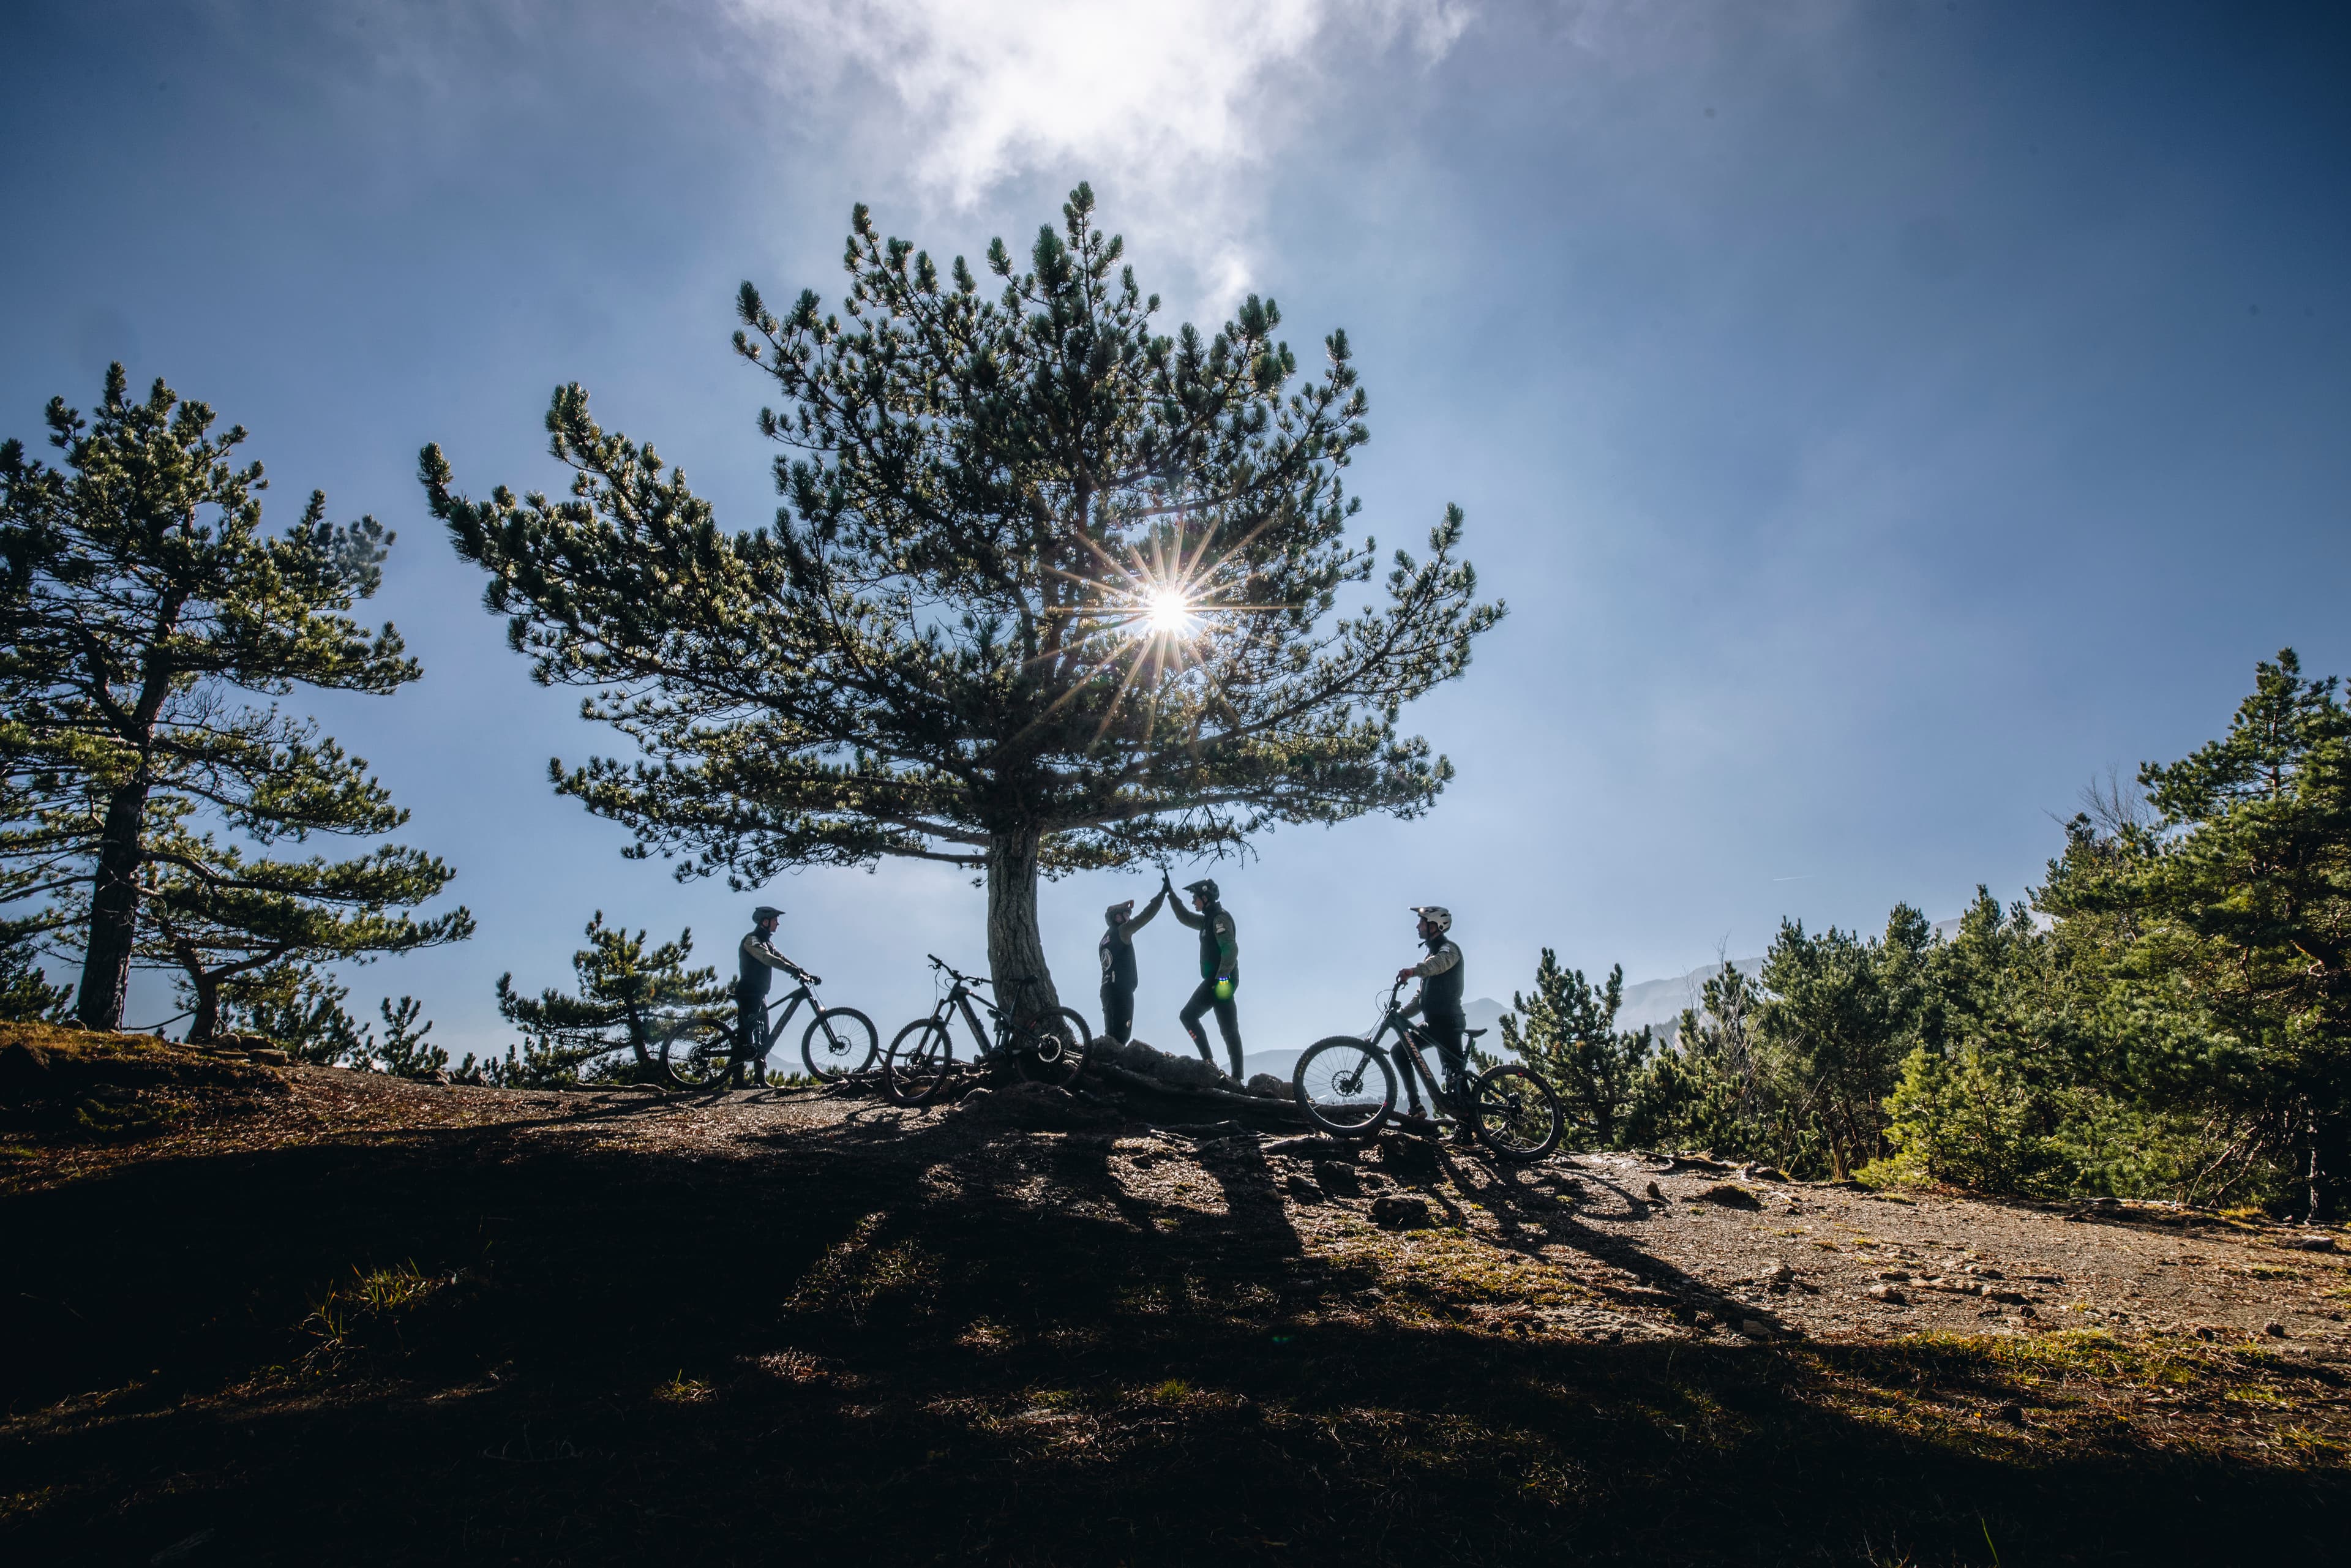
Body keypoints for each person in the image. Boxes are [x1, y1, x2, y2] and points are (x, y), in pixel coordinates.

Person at [1169, 872, 1244, 1079]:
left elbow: (1230, 949)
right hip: (1217, 980)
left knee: (1194, 1018)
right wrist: (1170, 894)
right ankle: (1230, 1074)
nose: (1193, 901)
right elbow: (1184, 917)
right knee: (1227, 1029)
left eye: (1195, 898)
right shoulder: (1206, 920)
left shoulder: (1219, 919)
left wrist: (1222, 978)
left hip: (1222, 980)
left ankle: (1219, 1069)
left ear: (1205, 897)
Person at [1395, 905, 1466, 1121]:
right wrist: (1401, 1016)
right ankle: (1416, 1107)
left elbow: (1438, 965)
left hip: (1448, 1024)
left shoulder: (1448, 950)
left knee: (1456, 1080)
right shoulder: (1431, 955)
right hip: (1433, 1025)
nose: (1418, 926)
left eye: (1422, 922)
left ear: (1435, 926)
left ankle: (1470, 1126)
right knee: (1399, 1051)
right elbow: (1421, 998)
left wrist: (1413, 971)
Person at [737, 904, 817, 1087]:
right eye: (775, 920)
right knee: (745, 1035)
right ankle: (738, 1080)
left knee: (765, 1034)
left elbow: (782, 958)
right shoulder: (752, 940)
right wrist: (791, 970)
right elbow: (767, 958)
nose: (778, 924)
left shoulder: (768, 943)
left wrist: (803, 972)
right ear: (765, 922)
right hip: (748, 993)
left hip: (760, 994)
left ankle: (760, 1078)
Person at [1097, 882, 1167, 1045]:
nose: (1128, 918)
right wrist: (1161, 896)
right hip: (1121, 990)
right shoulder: (1122, 931)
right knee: (1121, 1036)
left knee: (1111, 1034)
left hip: (1107, 989)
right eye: (1125, 915)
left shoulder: (1104, 939)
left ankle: (1105, 1058)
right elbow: (1145, 917)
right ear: (1117, 917)